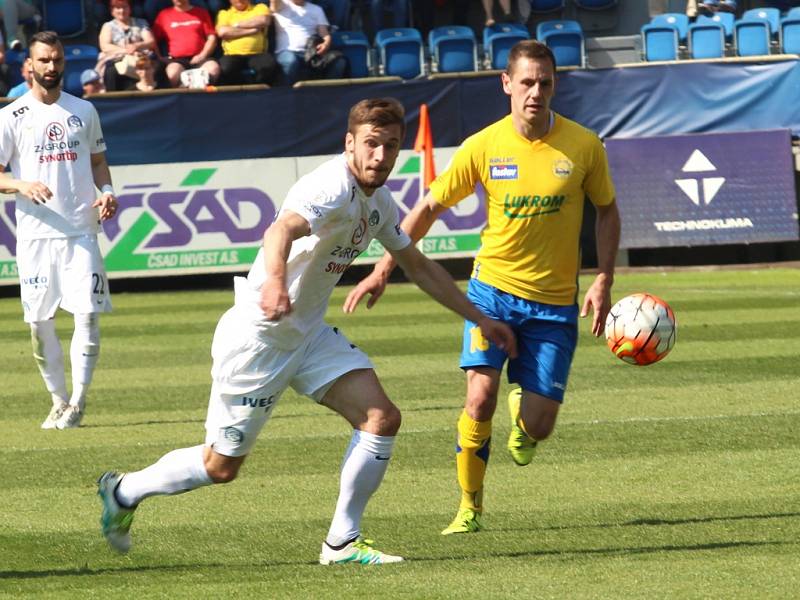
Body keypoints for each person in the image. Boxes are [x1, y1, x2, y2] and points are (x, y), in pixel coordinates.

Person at [96, 97, 516, 564]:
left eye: (391, 147)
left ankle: (341, 542)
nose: (381, 156)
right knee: (221, 466)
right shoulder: (330, 187)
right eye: (372, 145)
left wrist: (480, 318)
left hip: (309, 336)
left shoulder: (379, 201)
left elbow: (416, 264)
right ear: (350, 143)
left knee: (381, 418)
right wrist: (274, 283)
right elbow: (278, 232)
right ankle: (124, 490)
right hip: (261, 338)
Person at [345, 40, 621, 535]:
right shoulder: (483, 146)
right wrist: (384, 267)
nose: (536, 92)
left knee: (539, 425)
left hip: (555, 304)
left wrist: (603, 277)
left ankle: (525, 418)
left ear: (555, 85)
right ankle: (469, 507)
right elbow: (427, 209)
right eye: (527, 82)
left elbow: (607, 210)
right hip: (490, 291)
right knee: (479, 398)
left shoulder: (584, 146)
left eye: (546, 83)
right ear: (507, 84)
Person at [0, 31, 118, 430]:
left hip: (81, 231)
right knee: (39, 323)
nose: (52, 67)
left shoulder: (83, 111)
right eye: (44, 60)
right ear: (29, 66)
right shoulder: (10, 116)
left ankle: (79, 402)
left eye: (57, 60)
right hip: (35, 235)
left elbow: (99, 161)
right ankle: (57, 400)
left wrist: (106, 191)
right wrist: (21, 185)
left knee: (87, 315)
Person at [270, 0, 348, 85]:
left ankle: (328, 92)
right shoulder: (281, 5)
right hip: (287, 51)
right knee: (290, 61)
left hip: (311, 53)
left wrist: (325, 44)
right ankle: (285, 94)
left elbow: (325, 34)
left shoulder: (317, 9)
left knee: (338, 62)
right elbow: (274, 3)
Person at [152, 0, 221, 88]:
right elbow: (153, 40)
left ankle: (206, 97)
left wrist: (202, 55)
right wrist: (160, 57)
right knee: (172, 73)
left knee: (213, 68)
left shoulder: (201, 12)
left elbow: (212, 38)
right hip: (177, 60)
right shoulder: (164, 15)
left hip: (201, 58)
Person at [97, 0, 158, 91]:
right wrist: (126, 50)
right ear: (112, 11)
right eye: (118, 8)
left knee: (156, 66)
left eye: (124, 7)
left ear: (130, 9)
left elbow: (150, 41)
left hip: (140, 56)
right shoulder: (108, 26)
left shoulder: (141, 23)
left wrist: (136, 46)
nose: (121, 11)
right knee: (111, 71)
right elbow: (105, 46)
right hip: (118, 57)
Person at [215, 0, 278, 86]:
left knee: (268, 66)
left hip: (257, 54)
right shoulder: (224, 13)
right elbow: (223, 32)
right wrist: (252, 30)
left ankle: (259, 92)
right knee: (225, 68)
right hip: (232, 55)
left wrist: (236, 25)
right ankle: (236, 93)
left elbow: (264, 20)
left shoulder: (259, 7)